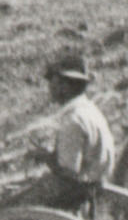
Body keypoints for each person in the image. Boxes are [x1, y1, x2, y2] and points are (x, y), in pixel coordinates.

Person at [31, 48, 117, 209]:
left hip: (77, 191)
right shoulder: (89, 110)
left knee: (8, 208)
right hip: (94, 183)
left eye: (53, 81)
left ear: (65, 86)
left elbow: (69, 174)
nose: (49, 87)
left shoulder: (73, 120)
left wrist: (46, 158)